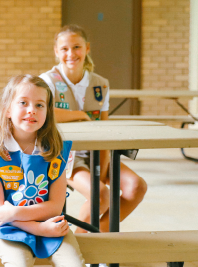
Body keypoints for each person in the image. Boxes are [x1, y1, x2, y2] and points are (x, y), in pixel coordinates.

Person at [39, 24, 147, 232]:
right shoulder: (47, 81)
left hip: (97, 151)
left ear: (87, 48)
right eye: (64, 48)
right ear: (56, 51)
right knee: (101, 195)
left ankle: (89, 243)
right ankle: (82, 250)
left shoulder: (100, 84)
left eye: (77, 47)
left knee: (136, 187)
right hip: (65, 155)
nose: (71, 53)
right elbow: (46, 114)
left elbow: (103, 127)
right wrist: (81, 115)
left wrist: (104, 163)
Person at [0, 74, 84, 267]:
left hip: (49, 223)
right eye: (23, 103)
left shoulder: (55, 148)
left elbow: (55, 206)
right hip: (9, 227)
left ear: (48, 111)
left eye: (39, 105)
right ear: (7, 109)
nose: (31, 111)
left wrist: (18, 214)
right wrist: (39, 229)